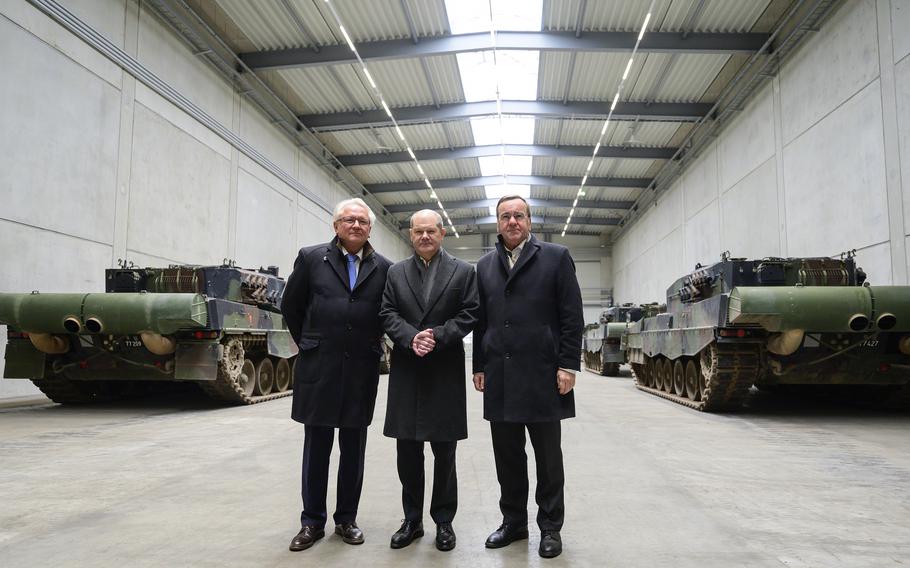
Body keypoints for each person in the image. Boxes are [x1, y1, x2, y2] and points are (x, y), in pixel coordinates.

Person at [471, 195, 584, 559]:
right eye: (505, 216)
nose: (512, 221)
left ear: (530, 221)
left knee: (548, 457)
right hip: (500, 373)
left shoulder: (556, 257)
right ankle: (514, 522)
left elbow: (571, 316)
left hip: (544, 373)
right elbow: (480, 320)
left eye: (519, 215)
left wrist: (568, 364)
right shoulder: (484, 265)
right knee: (507, 456)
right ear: (498, 223)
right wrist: (478, 365)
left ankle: (550, 527)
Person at [281, 197, 392, 552]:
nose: (355, 225)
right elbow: (291, 305)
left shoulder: (385, 267)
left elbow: (385, 314)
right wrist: (309, 342)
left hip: (361, 368)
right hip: (320, 368)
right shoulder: (312, 258)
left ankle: (346, 518)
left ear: (370, 228)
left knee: (353, 448)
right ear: (336, 225)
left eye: (362, 221)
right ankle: (312, 522)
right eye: (348, 220)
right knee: (317, 448)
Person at [379, 209, 479, 552]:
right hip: (407, 369)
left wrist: (436, 335)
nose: (425, 236)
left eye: (431, 231)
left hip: (444, 371)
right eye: (418, 231)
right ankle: (412, 520)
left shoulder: (464, 272)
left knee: (445, 451)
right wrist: (410, 337)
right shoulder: (395, 273)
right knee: (407, 449)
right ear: (411, 235)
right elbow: (387, 313)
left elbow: (469, 313)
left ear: (442, 234)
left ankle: (444, 521)